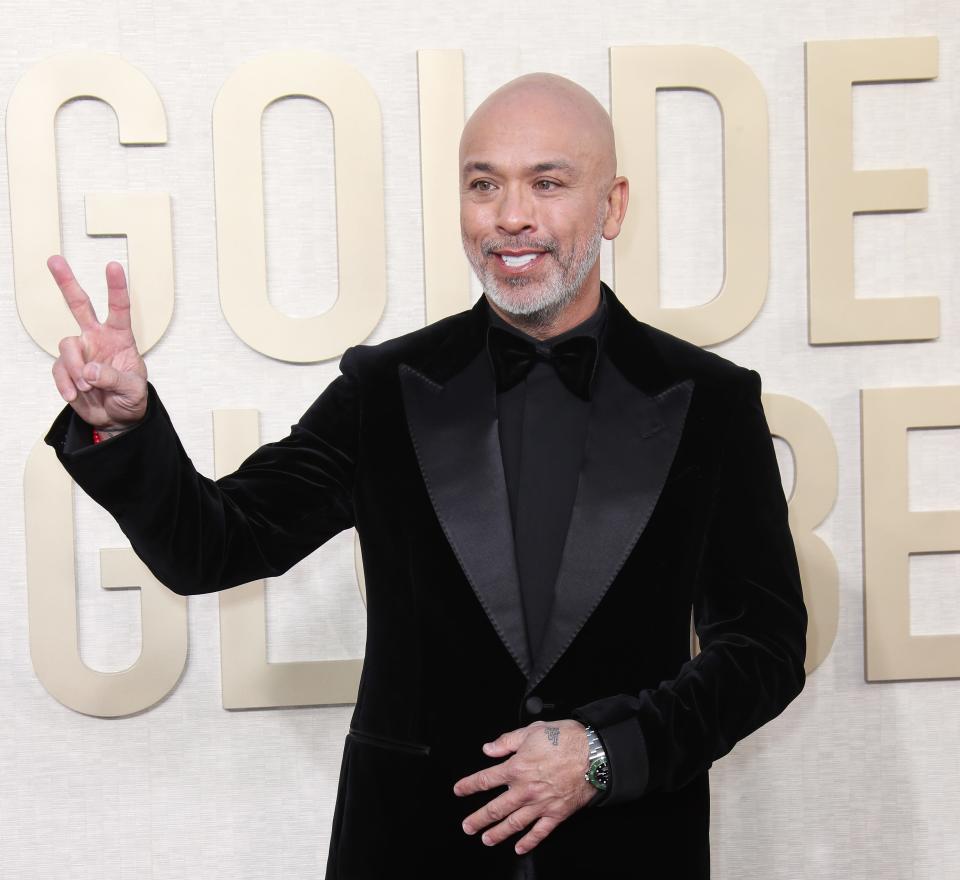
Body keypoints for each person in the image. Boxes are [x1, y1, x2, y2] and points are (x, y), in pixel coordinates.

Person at [45, 73, 807, 879]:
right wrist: (124, 426)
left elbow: (765, 645)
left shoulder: (713, 403)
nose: (511, 215)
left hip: (630, 849)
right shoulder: (384, 391)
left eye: (547, 183)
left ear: (612, 206)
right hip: (409, 853)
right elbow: (213, 546)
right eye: (484, 185)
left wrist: (606, 753)